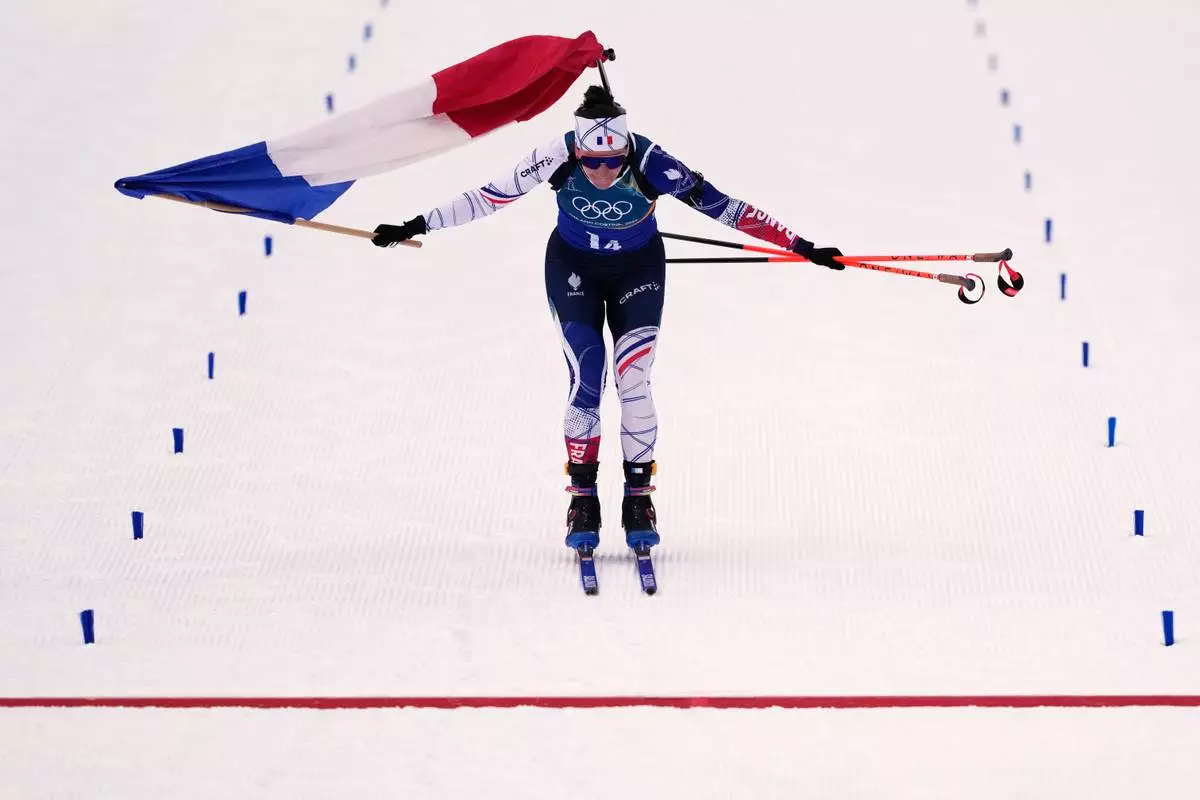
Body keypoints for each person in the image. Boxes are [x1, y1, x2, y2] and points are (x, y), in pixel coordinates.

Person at [372, 85, 845, 560]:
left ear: (626, 150)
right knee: (588, 375)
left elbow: (723, 206)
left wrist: (800, 245)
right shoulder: (555, 155)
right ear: (577, 151)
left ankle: (639, 500)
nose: (602, 171)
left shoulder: (653, 162)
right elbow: (490, 196)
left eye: (614, 161)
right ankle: (583, 500)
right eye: (592, 162)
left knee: (632, 377)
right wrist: (418, 224)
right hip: (573, 269)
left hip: (637, 272)